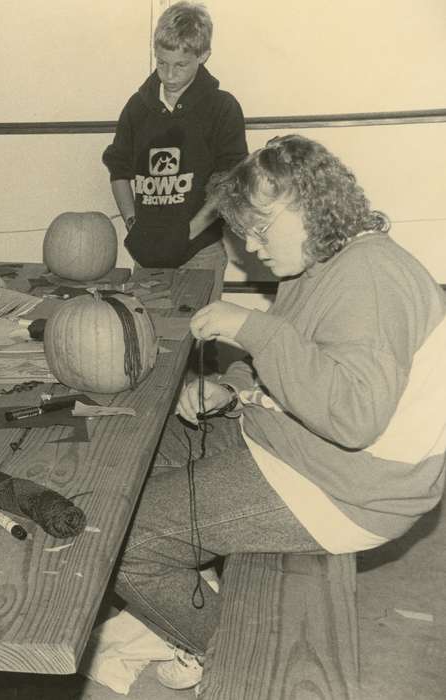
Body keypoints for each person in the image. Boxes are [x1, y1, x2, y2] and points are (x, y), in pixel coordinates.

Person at [111, 134, 446, 691]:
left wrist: (252, 329)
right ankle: (194, 593)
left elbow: (353, 415)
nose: (252, 247)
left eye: (262, 230)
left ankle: (233, 654)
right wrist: (230, 387)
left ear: (312, 204)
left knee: (124, 542)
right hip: (296, 447)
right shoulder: (325, 261)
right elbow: (294, 358)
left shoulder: (371, 279)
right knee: (139, 451)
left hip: (348, 491)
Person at [102, 1, 247, 304]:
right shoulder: (137, 107)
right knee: (149, 335)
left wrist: (188, 232)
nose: (169, 75)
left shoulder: (222, 108)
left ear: (203, 56)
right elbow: (119, 169)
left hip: (199, 251)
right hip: (147, 251)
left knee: (196, 344)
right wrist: (132, 223)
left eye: (180, 65)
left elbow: (229, 181)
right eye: (161, 63)